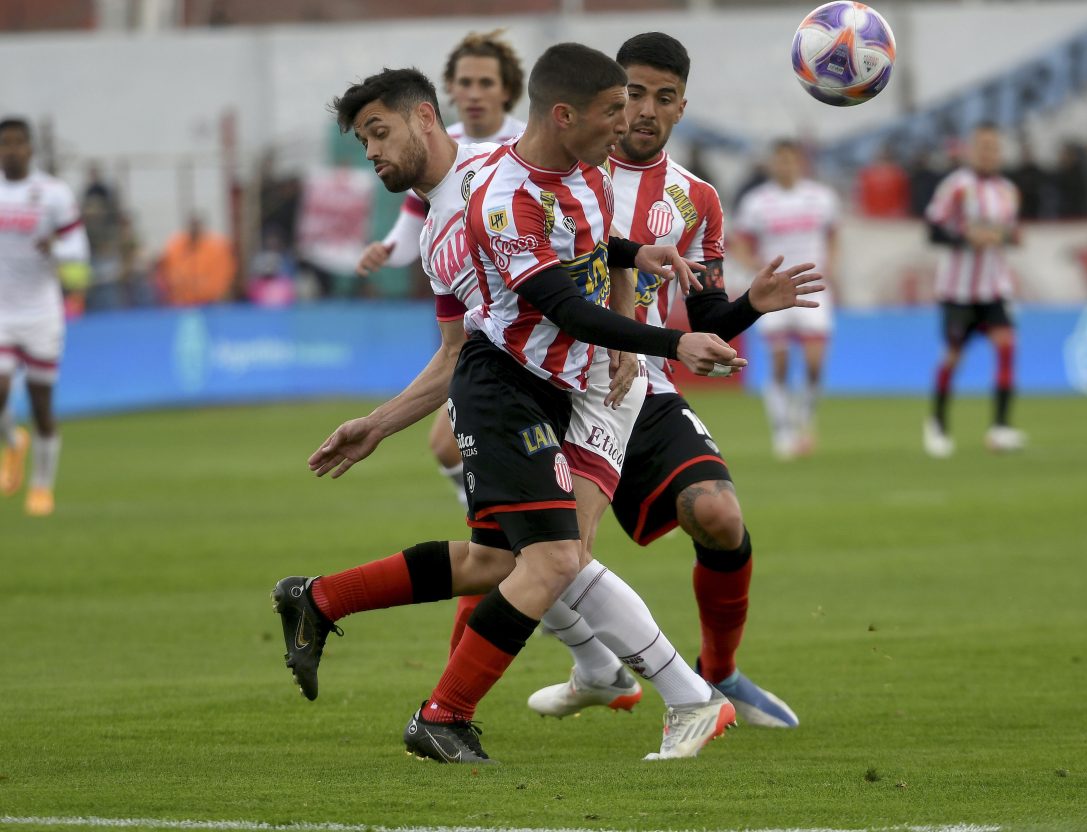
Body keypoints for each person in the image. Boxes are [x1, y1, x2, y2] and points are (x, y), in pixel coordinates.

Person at [273, 55, 800, 764]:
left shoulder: (533, 167)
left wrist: (637, 262)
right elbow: (491, 335)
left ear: (427, 118)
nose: (370, 152)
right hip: (527, 387)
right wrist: (382, 422)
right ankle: (666, 693)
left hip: (586, 384)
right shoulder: (459, 223)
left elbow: (586, 251)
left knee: (512, 561)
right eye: (618, 106)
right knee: (549, 559)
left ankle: (328, 603)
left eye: (378, 133)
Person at [526, 33, 817, 729]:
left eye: (663, 97)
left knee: (718, 514)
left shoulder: (696, 200)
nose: (645, 110)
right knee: (528, 555)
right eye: (632, 92)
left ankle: (721, 672)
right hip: (552, 385)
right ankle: (588, 670)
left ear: (683, 107)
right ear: (608, 94)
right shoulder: (560, 173)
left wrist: (750, 305)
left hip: (643, 385)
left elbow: (708, 319)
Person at [358, 30, 527, 521]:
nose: (473, 92)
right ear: (447, 92)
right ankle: (484, 513)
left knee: (540, 556)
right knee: (449, 449)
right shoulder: (432, 153)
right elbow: (415, 230)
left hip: (541, 343)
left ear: (506, 90)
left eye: (484, 82)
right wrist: (387, 251)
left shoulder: (525, 149)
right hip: (491, 343)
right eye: (463, 82)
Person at [0, 117, 90, 516]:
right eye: (5, 143)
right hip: (2, 310)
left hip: (41, 312)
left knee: (41, 405)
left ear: (31, 148)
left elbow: (78, 251)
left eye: (19, 143)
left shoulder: (53, 193)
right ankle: (12, 441)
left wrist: (55, 250)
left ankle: (41, 487)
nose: (12, 150)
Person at [732, 140, 839, 458]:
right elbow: (739, 242)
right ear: (772, 164)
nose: (785, 166)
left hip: (814, 287)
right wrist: (759, 270)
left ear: (800, 162)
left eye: (791, 160)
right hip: (775, 293)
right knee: (779, 364)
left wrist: (831, 264)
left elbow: (834, 235)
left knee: (815, 363)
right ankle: (782, 429)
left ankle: (804, 414)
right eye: (779, 161)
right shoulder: (757, 202)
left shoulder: (822, 198)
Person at [923, 122, 1025, 458]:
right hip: (958, 291)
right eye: (982, 146)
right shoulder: (956, 187)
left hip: (995, 287)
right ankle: (937, 423)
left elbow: (1011, 234)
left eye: (994, 147)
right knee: (953, 356)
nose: (988, 153)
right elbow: (933, 231)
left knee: (1007, 347)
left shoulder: (1008, 190)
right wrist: (965, 238)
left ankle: (1000, 428)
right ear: (971, 149)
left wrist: (1007, 238)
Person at [156, 214, 236, 306]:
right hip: (180, 303)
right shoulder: (175, 245)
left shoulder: (217, 247)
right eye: (191, 226)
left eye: (196, 226)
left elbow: (225, 277)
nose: (194, 229)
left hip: (211, 302)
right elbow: (164, 272)